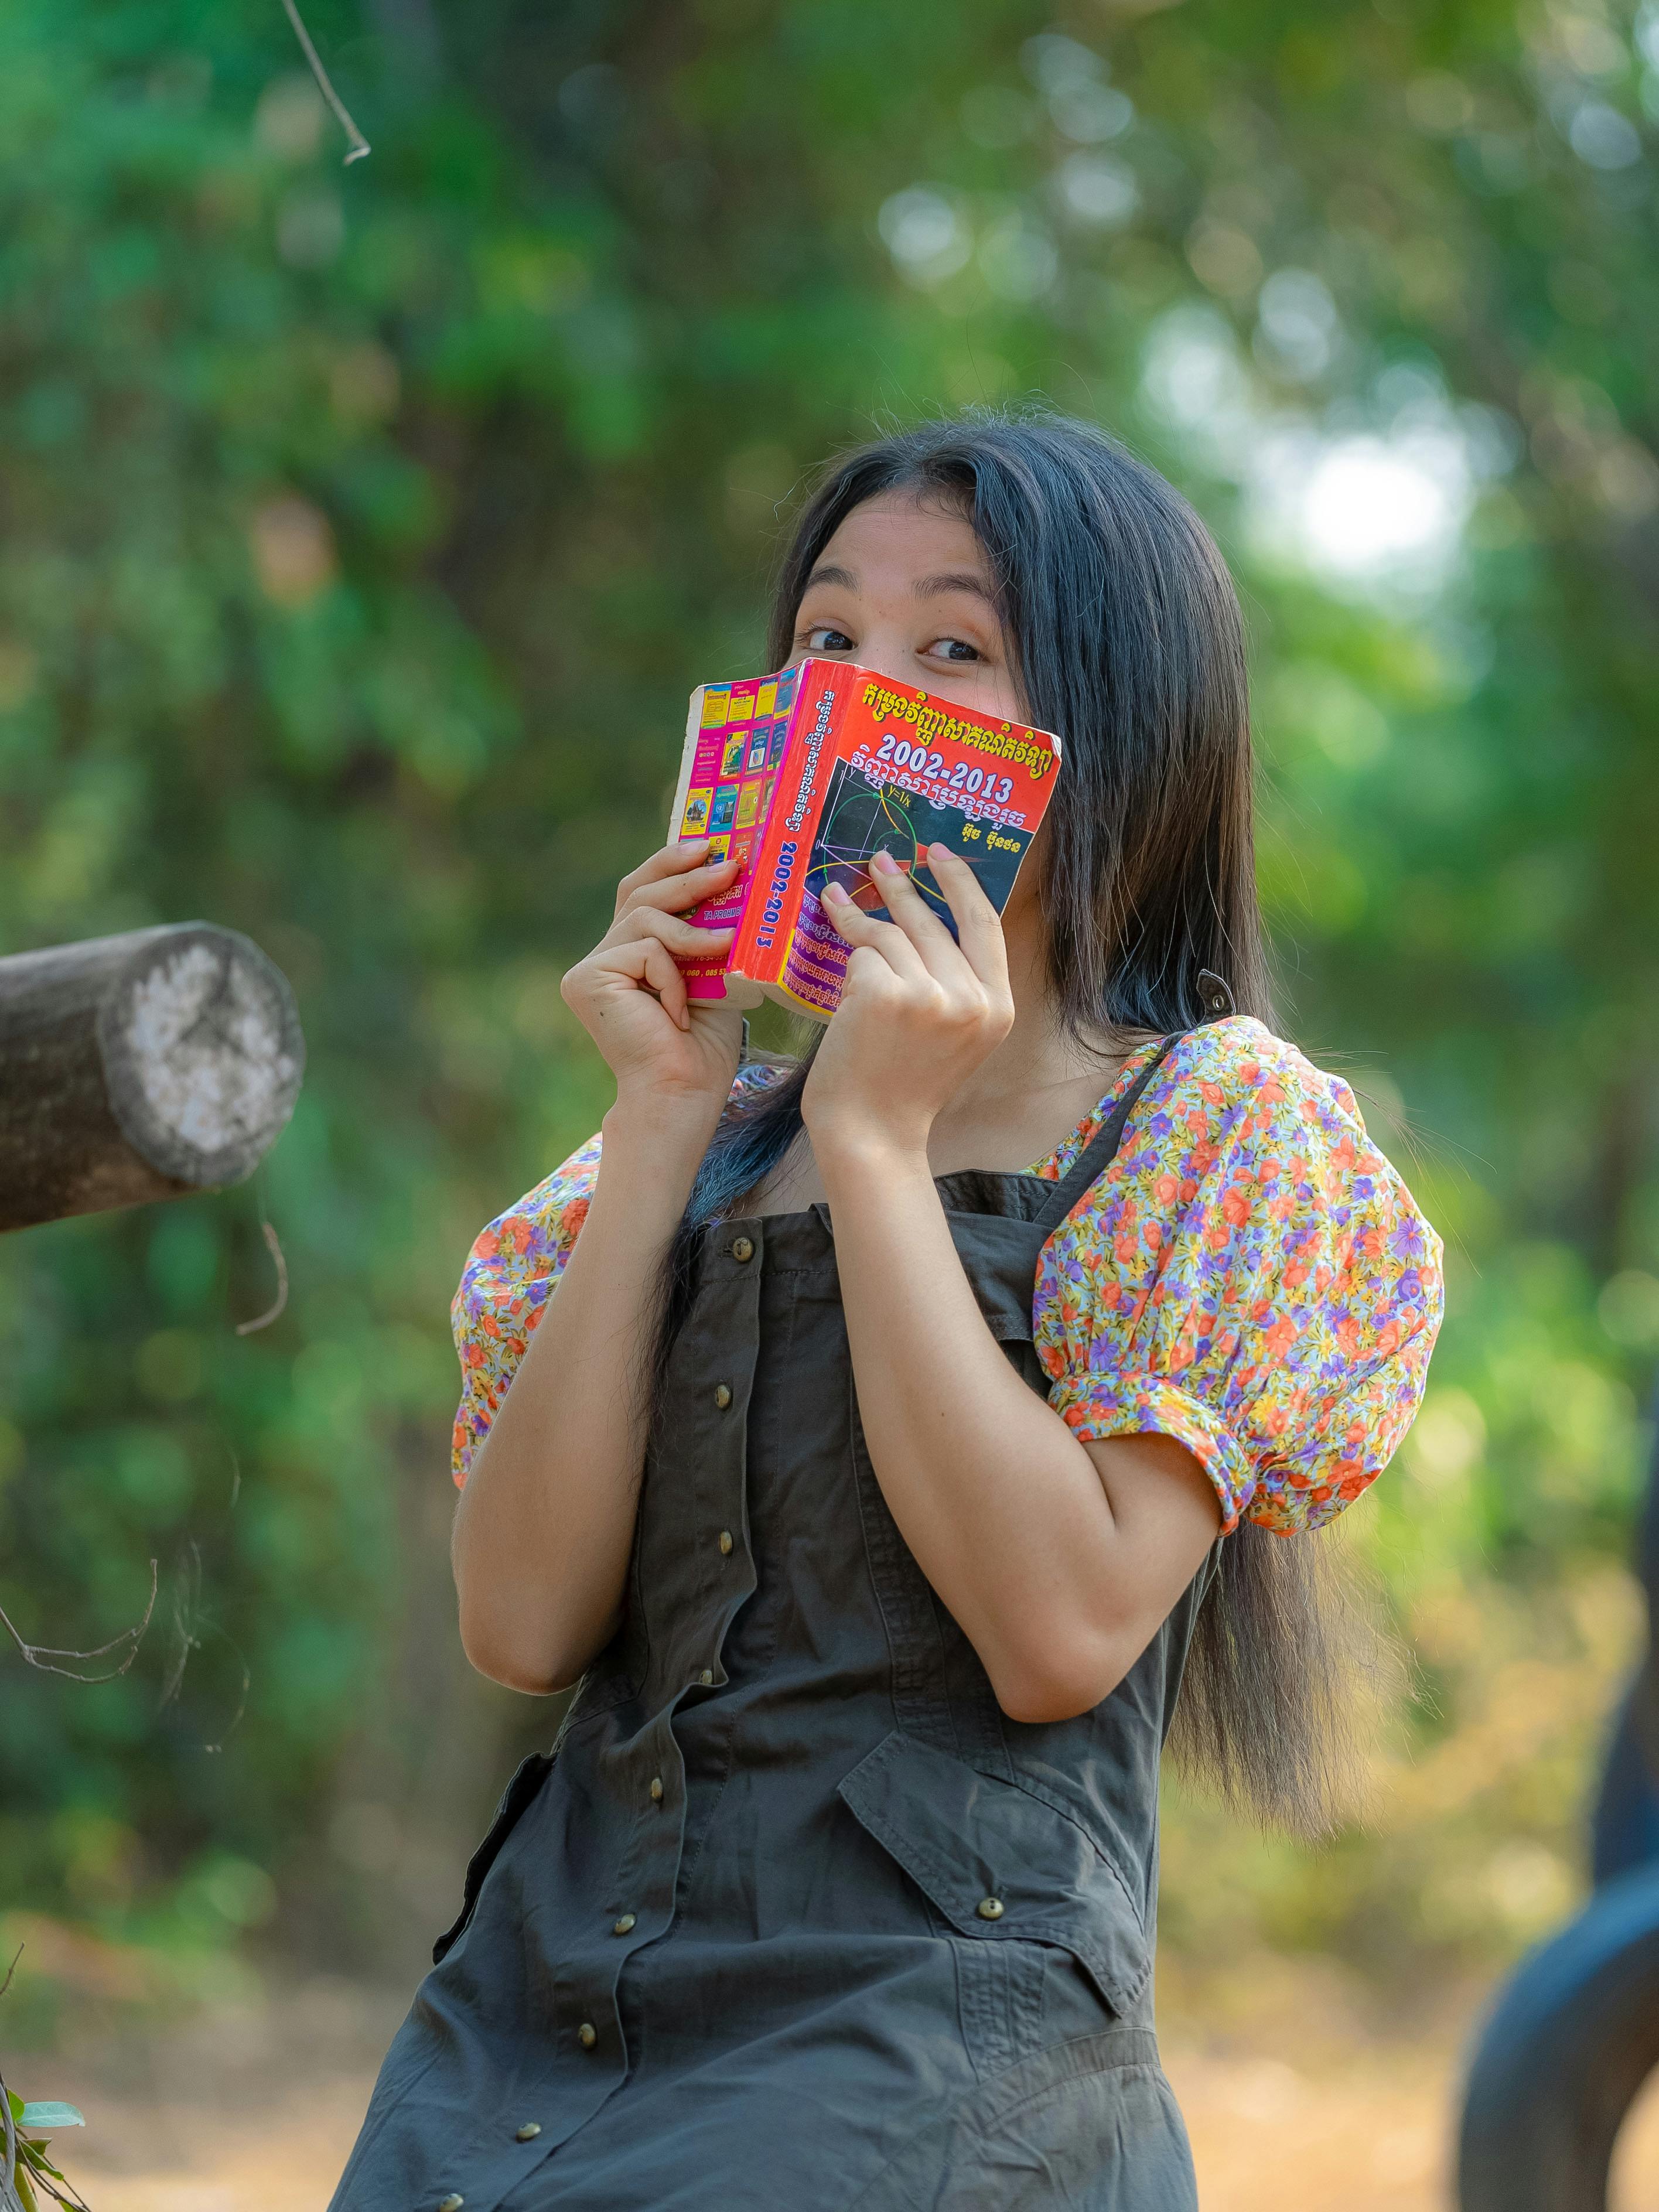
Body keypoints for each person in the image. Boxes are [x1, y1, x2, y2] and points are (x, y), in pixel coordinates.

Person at [330, 409, 1443, 2212]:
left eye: (954, 651)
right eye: (828, 638)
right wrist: (667, 1111)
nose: (856, 699)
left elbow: (1063, 1628)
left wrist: (870, 1129)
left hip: (925, 2072)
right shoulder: (670, 1153)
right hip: (522, 2033)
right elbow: (522, 1620)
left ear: (1116, 735)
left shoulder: (1219, 1132)